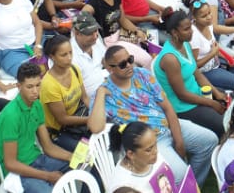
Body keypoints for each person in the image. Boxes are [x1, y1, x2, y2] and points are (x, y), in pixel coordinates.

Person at [88, 45, 217, 185]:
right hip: (149, 143)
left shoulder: (142, 74)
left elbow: (167, 107)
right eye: (123, 64)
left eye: (130, 60)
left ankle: (192, 187)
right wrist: (101, 93)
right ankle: (186, 188)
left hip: (167, 124)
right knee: (180, 174)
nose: (129, 65)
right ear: (110, 69)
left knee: (210, 141)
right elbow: (95, 127)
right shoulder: (105, 93)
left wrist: (179, 141)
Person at [0, 62, 72, 193]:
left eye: (38, 85)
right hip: (19, 173)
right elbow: (11, 164)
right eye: (29, 87)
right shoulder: (11, 116)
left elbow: (48, 146)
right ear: (19, 86)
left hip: (37, 159)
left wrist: (73, 157)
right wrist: (47, 176)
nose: (35, 91)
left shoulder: (37, 105)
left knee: (79, 167)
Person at [154, 10, 228, 137]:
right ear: (174, 32)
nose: (192, 31)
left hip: (196, 94)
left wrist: (216, 93)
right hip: (183, 107)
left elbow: (197, 74)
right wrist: (212, 103)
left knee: (227, 98)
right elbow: (182, 95)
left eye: (191, 27)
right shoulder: (170, 59)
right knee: (224, 124)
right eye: (186, 29)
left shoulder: (186, 44)